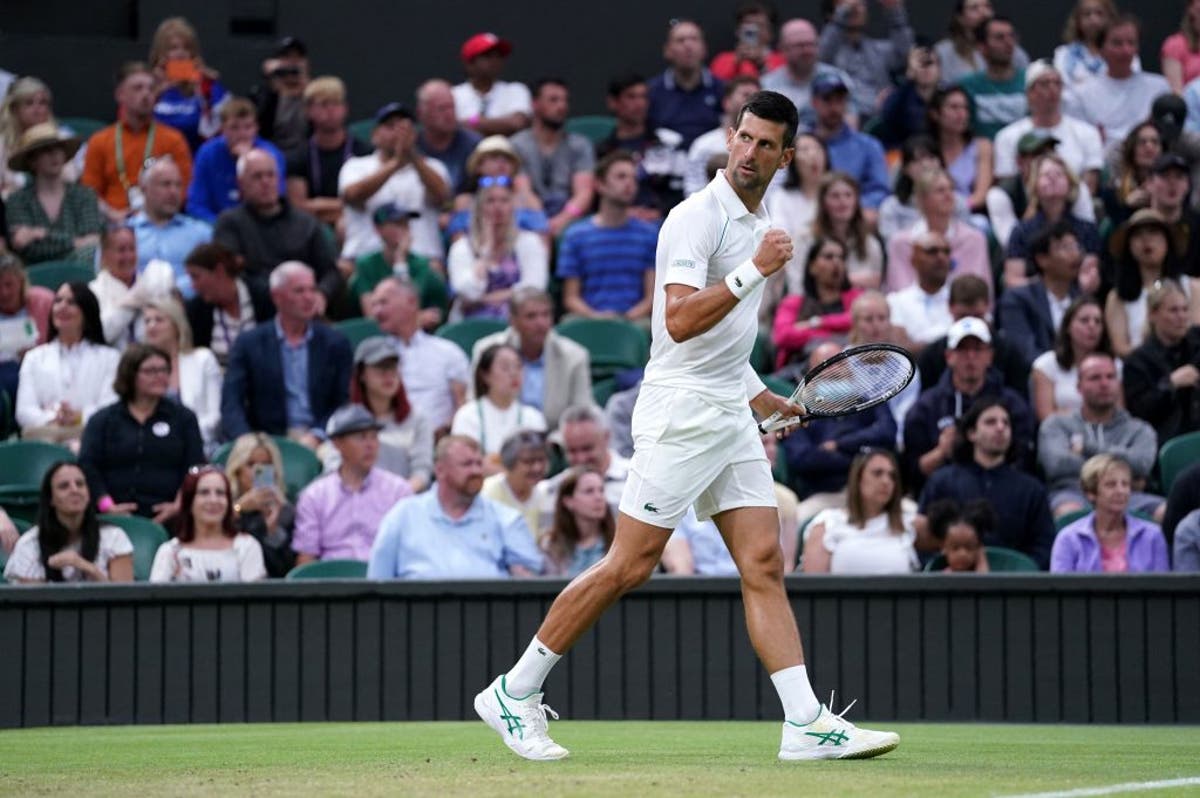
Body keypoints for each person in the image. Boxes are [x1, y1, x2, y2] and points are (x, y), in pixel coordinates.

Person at [473, 91, 899, 763]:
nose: (750, 152)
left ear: (787, 156)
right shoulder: (694, 219)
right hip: (679, 410)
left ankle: (805, 723)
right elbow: (676, 321)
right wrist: (752, 270)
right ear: (730, 138)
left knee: (763, 560)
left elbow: (725, 341)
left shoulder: (770, 215)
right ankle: (514, 692)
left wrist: (762, 397)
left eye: (766, 144)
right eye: (744, 137)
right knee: (629, 563)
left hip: (727, 407)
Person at [368, 435, 544, 579]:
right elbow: (377, 582)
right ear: (440, 470)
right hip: (414, 618)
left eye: (478, 464)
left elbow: (529, 584)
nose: (476, 471)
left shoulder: (507, 519)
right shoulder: (403, 515)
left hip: (490, 618)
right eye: (467, 464)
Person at [221, 261, 353, 448]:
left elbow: (343, 402)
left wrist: (318, 434)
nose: (309, 298)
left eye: (312, 290)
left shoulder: (335, 342)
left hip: (325, 439)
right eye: (299, 291)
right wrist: (247, 440)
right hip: (266, 442)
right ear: (277, 297)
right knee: (260, 474)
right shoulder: (249, 343)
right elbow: (231, 402)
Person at [918, 398, 1056, 568]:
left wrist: (1020, 574)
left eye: (1006, 423)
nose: (1000, 428)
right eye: (990, 422)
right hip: (951, 585)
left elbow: (1044, 546)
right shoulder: (942, 482)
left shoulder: (1032, 490)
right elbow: (923, 538)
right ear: (971, 433)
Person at [904, 317, 1036, 488]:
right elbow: (912, 472)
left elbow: (1024, 461)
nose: (971, 356)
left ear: (990, 355)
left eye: (978, 349)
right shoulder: (926, 407)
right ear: (948, 356)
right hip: (944, 494)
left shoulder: (1012, 404)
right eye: (962, 349)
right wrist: (941, 452)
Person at [79, 343, 205, 522]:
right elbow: (88, 466)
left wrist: (179, 504)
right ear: (130, 374)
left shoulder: (184, 418)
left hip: (170, 514)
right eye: (150, 371)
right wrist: (107, 506)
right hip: (111, 514)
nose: (159, 376)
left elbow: (195, 466)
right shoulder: (103, 420)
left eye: (164, 370)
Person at [1039, 352, 1161, 520]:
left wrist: (1086, 449)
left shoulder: (1139, 429)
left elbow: (1142, 464)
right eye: (1095, 378)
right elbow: (1057, 465)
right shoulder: (1057, 425)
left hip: (1127, 495)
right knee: (1068, 513)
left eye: (1110, 377)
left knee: (1164, 511)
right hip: (1074, 493)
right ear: (1079, 387)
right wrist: (1123, 470)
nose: (1104, 384)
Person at [212, 148, 341, 307]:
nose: (265, 182)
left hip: (306, 306)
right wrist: (282, 296)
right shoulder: (229, 223)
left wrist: (322, 294)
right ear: (241, 183)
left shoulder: (306, 223)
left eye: (270, 175)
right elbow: (231, 272)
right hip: (256, 310)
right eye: (257, 176)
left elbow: (331, 272)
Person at [781, 341, 897, 518]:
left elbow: (887, 435)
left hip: (874, 493)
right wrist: (861, 460)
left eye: (840, 363)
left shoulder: (870, 401)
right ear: (810, 377)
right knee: (799, 517)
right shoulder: (798, 412)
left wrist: (838, 445)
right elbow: (803, 459)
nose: (835, 370)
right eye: (826, 365)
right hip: (826, 496)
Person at [292, 404, 414, 565]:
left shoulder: (399, 491)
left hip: (383, 581)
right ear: (337, 444)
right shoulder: (315, 495)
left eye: (374, 437)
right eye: (361, 437)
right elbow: (306, 558)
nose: (370, 445)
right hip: (333, 582)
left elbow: (411, 551)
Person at [338, 102, 450, 270]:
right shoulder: (355, 166)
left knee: (436, 270)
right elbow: (353, 195)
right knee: (344, 269)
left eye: (405, 128)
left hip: (421, 259)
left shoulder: (434, 167)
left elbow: (443, 196)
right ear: (375, 135)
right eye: (390, 127)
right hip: (365, 258)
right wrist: (396, 163)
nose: (398, 134)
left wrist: (411, 156)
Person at [81, 62, 193, 224]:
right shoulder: (100, 140)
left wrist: (153, 214)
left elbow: (185, 189)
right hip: (113, 224)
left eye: (150, 88)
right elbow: (89, 193)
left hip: (161, 222)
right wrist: (113, 215)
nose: (146, 94)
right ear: (120, 94)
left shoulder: (173, 139)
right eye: (138, 88)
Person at [470, 288, 592, 430]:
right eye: (531, 316)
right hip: (499, 434)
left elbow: (582, 412)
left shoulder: (574, 356)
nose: (541, 323)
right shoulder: (486, 350)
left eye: (546, 315)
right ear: (513, 321)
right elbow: (475, 402)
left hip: (556, 440)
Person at [16, 282, 120, 447]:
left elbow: (111, 405)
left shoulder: (110, 358)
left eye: (71, 302)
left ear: (86, 311)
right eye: (58, 301)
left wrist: (79, 416)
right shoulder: (34, 357)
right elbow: (24, 411)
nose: (62, 307)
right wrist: (53, 417)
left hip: (94, 439)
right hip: (46, 439)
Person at [558, 152, 657, 324]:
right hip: (588, 320)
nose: (629, 183)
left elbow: (652, 297)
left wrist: (625, 319)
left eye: (633, 178)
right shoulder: (576, 235)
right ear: (600, 185)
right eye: (621, 177)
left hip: (636, 323)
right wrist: (597, 318)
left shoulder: (649, 234)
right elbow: (571, 298)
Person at [3, 461, 133, 584]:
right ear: (51, 499)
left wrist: (86, 567)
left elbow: (126, 600)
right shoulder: (30, 544)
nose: (74, 490)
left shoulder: (114, 537)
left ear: (88, 494)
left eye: (80, 484)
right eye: (64, 486)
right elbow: (31, 604)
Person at [369, 277, 469, 432]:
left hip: (441, 442)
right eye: (374, 305)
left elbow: (463, 406)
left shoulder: (448, 352)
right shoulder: (372, 357)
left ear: (411, 302)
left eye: (383, 303)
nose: (376, 312)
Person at [992, 60, 1104, 196]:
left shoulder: (1088, 133)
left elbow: (1089, 187)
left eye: (1057, 83)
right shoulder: (1006, 137)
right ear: (1029, 93)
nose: (1053, 89)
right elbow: (1007, 187)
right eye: (1045, 84)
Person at [1065, 15, 1171, 154]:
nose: (1126, 51)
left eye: (1131, 43)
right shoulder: (1081, 92)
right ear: (1101, 49)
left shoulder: (1159, 87)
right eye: (1117, 43)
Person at [447, 175, 548, 319]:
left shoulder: (529, 241)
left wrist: (486, 299)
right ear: (479, 208)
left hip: (517, 321)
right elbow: (468, 292)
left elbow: (534, 288)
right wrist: (486, 252)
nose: (498, 207)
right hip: (471, 321)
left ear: (512, 206)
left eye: (504, 201)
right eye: (490, 201)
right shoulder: (462, 247)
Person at [801, 449, 917, 574]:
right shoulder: (828, 524)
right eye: (877, 473)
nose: (886, 481)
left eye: (892, 476)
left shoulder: (907, 523)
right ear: (858, 479)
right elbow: (814, 587)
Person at [1050, 454, 1170, 573]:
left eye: (1125, 484)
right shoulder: (1068, 539)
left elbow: (1162, 588)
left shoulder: (1153, 535)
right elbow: (1060, 591)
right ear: (1091, 493)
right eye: (1111, 485)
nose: (1120, 491)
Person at [343, 336, 434, 491]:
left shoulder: (418, 419)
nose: (388, 375)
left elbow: (422, 471)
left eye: (393, 367)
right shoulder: (345, 421)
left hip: (406, 503)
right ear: (362, 374)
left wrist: (396, 497)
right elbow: (334, 469)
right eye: (380, 367)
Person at [916, 275, 1029, 399]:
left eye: (977, 317)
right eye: (962, 317)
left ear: (988, 306)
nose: (970, 323)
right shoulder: (931, 357)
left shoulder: (1010, 354)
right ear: (950, 307)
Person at [149, 466, 267, 583]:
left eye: (220, 493)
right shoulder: (170, 552)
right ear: (189, 502)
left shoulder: (247, 547)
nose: (213, 500)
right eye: (204, 493)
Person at [885, 167, 991, 297]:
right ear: (922, 199)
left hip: (961, 310)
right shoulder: (901, 243)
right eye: (940, 191)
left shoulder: (973, 240)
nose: (949, 195)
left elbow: (979, 290)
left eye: (951, 189)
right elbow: (898, 290)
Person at [1104, 209, 1196, 357]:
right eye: (1138, 235)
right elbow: (1120, 348)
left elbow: (1196, 334)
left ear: (1167, 241)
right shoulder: (1117, 297)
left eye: (1154, 232)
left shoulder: (1192, 287)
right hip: (1140, 372)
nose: (1146, 240)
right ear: (1129, 246)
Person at [5, 123, 102, 264]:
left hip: (78, 276)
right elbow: (25, 246)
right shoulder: (17, 200)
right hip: (33, 278)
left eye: (59, 148)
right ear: (32, 160)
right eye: (46, 150)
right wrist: (75, 242)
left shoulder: (84, 195)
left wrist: (39, 234)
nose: (54, 154)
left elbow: (92, 244)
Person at [509, 79, 595, 235]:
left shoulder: (580, 145)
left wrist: (562, 220)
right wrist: (542, 223)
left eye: (564, 100)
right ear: (535, 104)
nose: (561, 106)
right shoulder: (516, 145)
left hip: (570, 218)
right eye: (553, 100)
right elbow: (523, 191)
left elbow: (584, 193)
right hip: (530, 215)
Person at [596, 72, 687, 219]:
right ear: (613, 102)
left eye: (643, 97)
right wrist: (625, 212)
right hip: (619, 221)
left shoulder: (669, 142)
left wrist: (659, 213)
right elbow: (597, 195)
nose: (640, 103)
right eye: (631, 97)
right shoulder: (604, 151)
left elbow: (683, 188)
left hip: (667, 221)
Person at [1004, 153, 1101, 290]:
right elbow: (1012, 279)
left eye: (1059, 175)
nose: (1053, 179)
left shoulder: (1087, 229)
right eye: (1046, 175)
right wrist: (1048, 290)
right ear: (1034, 184)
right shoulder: (1021, 231)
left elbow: (1090, 277)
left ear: (1070, 184)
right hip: (1034, 302)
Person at [284, 76, 371, 227]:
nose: (330, 110)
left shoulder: (364, 152)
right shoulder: (297, 157)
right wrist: (345, 206)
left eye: (336, 103)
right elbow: (298, 208)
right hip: (311, 228)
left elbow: (368, 203)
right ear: (308, 110)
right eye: (323, 104)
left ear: (345, 109)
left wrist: (319, 204)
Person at [185, 97, 287, 224]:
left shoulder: (270, 155)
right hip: (216, 226)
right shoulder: (207, 153)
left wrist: (248, 160)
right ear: (223, 129)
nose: (242, 134)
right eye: (234, 128)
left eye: (248, 127)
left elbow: (275, 200)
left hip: (260, 227)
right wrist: (222, 227)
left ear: (256, 128)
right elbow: (195, 204)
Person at [998, 221, 1086, 367]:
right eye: (1064, 247)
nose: (1074, 254)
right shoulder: (1018, 299)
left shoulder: (1082, 299)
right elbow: (1024, 351)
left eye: (1076, 247)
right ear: (1042, 259)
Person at [140, 297, 223, 452]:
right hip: (152, 449)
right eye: (147, 321)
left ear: (176, 325)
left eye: (159, 320)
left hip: (200, 445)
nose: (151, 326)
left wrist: (183, 436)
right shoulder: (139, 367)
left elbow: (215, 417)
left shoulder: (202, 359)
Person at [1122, 279, 1200, 443]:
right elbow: (1139, 411)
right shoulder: (1137, 361)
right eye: (1173, 310)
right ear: (1153, 314)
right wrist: (1170, 384)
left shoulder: (1197, 344)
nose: (1181, 317)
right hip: (1165, 440)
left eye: (1185, 310)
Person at [348, 203, 449, 325]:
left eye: (405, 224)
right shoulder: (366, 264)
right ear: (378, 229)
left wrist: (401, 260)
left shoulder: (420, 263)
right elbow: (372, 316)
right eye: (397, 224)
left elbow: (411, 304)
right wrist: (418, 319)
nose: (404, 229)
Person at [128, 156, 212, 298]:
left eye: (178, 185)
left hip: (188, 310)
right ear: (144, 189)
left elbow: (212, 276)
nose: (173, 191)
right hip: (136, 307)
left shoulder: (202, 234)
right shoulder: (125, 233)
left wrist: (174, 292)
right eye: (166, 184)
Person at [451, 343, 547, 468]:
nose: (514, 373)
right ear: (485, 375)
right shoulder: (467, 415)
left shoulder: (533, 416)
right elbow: (465, 464)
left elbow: (539, 465)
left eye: (518, 367)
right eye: (505, 368)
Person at [787, 172, 885, 295]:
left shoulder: (870, 244)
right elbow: (797, 286)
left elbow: (875, 288)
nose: (843, 201)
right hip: (813, 307)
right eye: (835, 196)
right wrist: (853, 280)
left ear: (856, 201)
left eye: (848, 195)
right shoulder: (804, 238)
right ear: (823, 202)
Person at [817, 0, 915, 119]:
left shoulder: (877, 49)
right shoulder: (827, 51)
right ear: (830, 14)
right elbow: (821, 56)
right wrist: (843, 12)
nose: (855, 7)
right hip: (843, 120)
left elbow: (905, 55)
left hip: (882, 120)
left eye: (861, 3)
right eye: (846, 2)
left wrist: (894, 11)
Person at [771, 238, 861, 367]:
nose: (836, 262)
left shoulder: (857, 298)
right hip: (799, 373)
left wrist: (816, 323)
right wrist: (836, 334)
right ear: (812, 267)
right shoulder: (793, 303)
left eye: (841, 258)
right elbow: (782, 336)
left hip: (850, 370)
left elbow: (856, 320)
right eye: (828, 257)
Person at [183, 241, 275, 367]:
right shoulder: (196, 310)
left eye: (196, 277)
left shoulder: (264, 297)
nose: (193, 286)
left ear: (219, 271)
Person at [809, 73, 889, 215]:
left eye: (839, 100)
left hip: (855, 218)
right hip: (808, 212)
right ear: (814, 102)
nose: (834, 107)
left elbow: (879, 190)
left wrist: (849, 209)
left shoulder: (868, 146)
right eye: (827, 100)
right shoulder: (802, 146)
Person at [148, 17, 228, 152]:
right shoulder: (146, 85)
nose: (181, 53)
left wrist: (203, 90)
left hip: (195, 160)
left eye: (186, 48)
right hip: (154, 163)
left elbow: (225, 127)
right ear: (160, 53)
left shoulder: (206, 86)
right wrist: (158, 91)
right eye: (173, 48)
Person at [1031, 296, 1116, 421]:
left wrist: (1065, 413)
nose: (1092, 326)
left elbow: (1118, 415)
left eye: (1098, 321)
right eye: (1084, 320)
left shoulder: (1115, 365)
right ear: (1068, 327)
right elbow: (1047, 418)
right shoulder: (1045, 365)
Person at [539, 404, 633, 515]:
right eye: (572, 451)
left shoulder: (634, 479)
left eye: (587, 449)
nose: (581, 458)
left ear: (606, 438)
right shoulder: (551, 491)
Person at [224, 432, 295, 579]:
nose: (259, 471)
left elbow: (284, 570)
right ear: (237, 469)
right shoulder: (222, 502)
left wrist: (273, 530)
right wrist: (239, 508)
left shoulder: (285, 510)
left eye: (266, 465)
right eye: (251, 464)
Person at [647, 20, 725, 149]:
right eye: (680, 40)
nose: (688, 45)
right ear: (667, 50)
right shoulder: (651, 91)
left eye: (694, 39)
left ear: (704, 49)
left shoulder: (722, 89)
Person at [761, 19, 850, 128]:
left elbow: (850, 125)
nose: (807, 50)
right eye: (800, 45)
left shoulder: (839, 78)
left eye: (811, 44)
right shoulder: (767, 86)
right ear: (783, 49)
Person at [877, 135, 968, 242]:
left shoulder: (956, 202)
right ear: (905, 169)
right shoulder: (891, 207)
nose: (926, 165)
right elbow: (893, 247)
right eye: (917, 160)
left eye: (931, 158)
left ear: (941, 162)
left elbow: (965, 242)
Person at [685, 77, 764, 199]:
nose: (752, 102)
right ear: (727, 102)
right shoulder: (703, 145)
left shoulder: (768, 146)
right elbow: (692, 190)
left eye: (757, 97)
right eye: (746, 95)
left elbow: (773, 193)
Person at [0, 76, 76, 199]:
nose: (37, 109)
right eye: (29, 103)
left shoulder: (61, 138)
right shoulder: (2, 144)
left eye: (42, 103)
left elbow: (70, 180)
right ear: (14, 109)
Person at [957, 16, 1028, 140]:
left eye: (1011, 36)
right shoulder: (965, 86)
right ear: (982, 47)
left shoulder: (1031, 81)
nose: (1009, 43)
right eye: (999, 37)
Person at [452, 33, 533, 137]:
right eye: (487, 56)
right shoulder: (454, 95)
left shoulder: (516, 90)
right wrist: (500, 124)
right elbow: (450, 127)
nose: (495, 61)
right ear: (469, 63)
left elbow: (517, 123)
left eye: (499, 56)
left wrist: (473, 121)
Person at [927, 87, 994, 213]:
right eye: (954, 107)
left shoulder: (982, 146)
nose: (962, 114)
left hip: (968, 213)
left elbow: (980, 195)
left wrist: (956, 209)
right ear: (935, 114)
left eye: (965, 108)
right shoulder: (924, 149)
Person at [885, 230, 955, 350]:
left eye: (946, 252)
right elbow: (902, 351)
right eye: (932, 251)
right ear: (914, 260)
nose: (941, 257)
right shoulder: (896, 301)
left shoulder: (962, 299)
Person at [541, 468, 615, 577]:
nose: (599, 497)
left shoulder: (620, 542)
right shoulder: (551, 545)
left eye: (601, 490)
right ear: (568, 501)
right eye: (589, 491)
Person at [935, 0, 1030, 85]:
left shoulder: (1013, 51)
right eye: (974, 8)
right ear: (960, 18)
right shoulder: (944, 52)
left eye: (987, 6)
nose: (984, 13)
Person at [415, 79, 483, 196]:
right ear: (421, 114)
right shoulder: (411, 146)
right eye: (442, 109)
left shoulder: (474, 145)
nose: (449, 114)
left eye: (451, 107)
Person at [0, 252, 52, 403]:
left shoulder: (44, 302)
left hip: (43, 369)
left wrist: (35, 355)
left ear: (21, 282)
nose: (4, 292)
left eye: (9, 284)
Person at [481, 429, 552, 540]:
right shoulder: (489, 492)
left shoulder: (547, 493)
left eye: (541, 460)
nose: (537, 467)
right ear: (509, 463)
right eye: (528, 462)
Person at [875, 39, 943, 150]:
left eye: (929, 63)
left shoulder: (946, 97)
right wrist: (909, 78)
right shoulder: (899, 95)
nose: (925, 68)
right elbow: (888, 118)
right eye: (920, 63)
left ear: (940, 69)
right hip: (902, 155)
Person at [248, 36, 311, 154]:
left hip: (306, 156)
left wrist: (307, 90)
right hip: (271, 154)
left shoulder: (313, 93)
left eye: (297, 57)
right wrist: (273, 88)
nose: (292, 63)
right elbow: (258, 128)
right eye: (287, 57)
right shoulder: (264, 94)